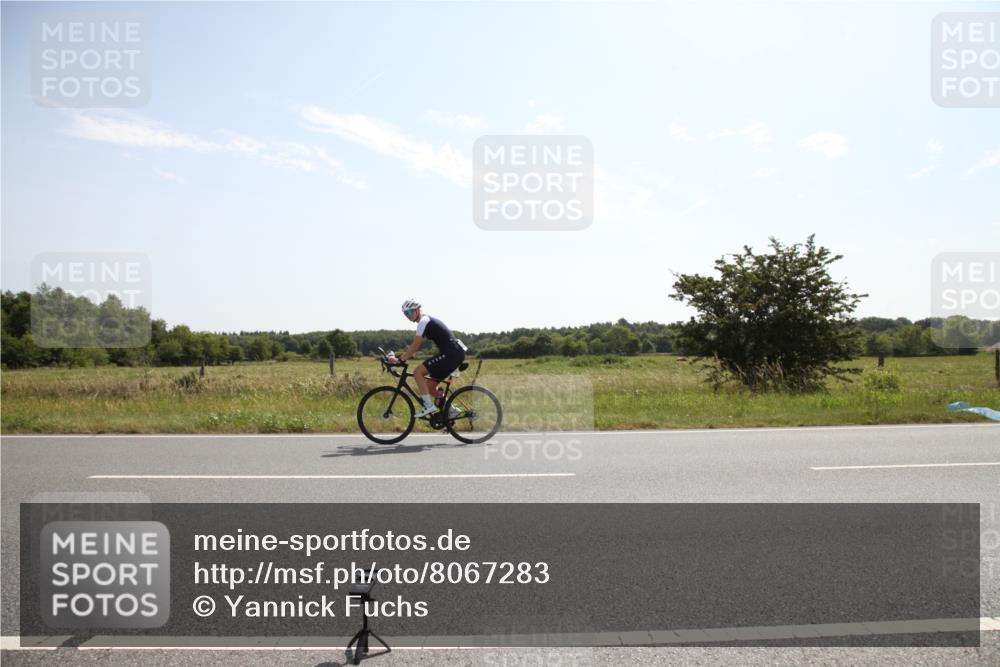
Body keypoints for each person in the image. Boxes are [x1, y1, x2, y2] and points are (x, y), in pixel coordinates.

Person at [390, 299, 466, 418]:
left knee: (417, 372)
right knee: (430, 387)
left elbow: (415, 346)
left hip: (451, 353)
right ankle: (451, 410)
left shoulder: (423, 321)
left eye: (409, 312)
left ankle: (428, 406)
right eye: (405, 314)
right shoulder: (425, 321)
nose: (407, 316)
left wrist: (400, 360)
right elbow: (415, 348)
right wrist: (401, 358)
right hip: (453, 353)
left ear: (416, 310)